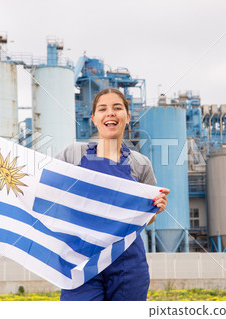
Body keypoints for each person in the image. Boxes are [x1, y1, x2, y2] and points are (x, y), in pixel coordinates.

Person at [55, 88, 169, 301]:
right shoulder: (72, 154)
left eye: (117, 108)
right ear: (94, 119)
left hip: (127, 261)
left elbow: (146, 219)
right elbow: (42, 183)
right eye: (102, 109)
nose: (110, 113)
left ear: (127, 117)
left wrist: (157, 208)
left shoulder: (140, 164)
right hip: (81, 258)